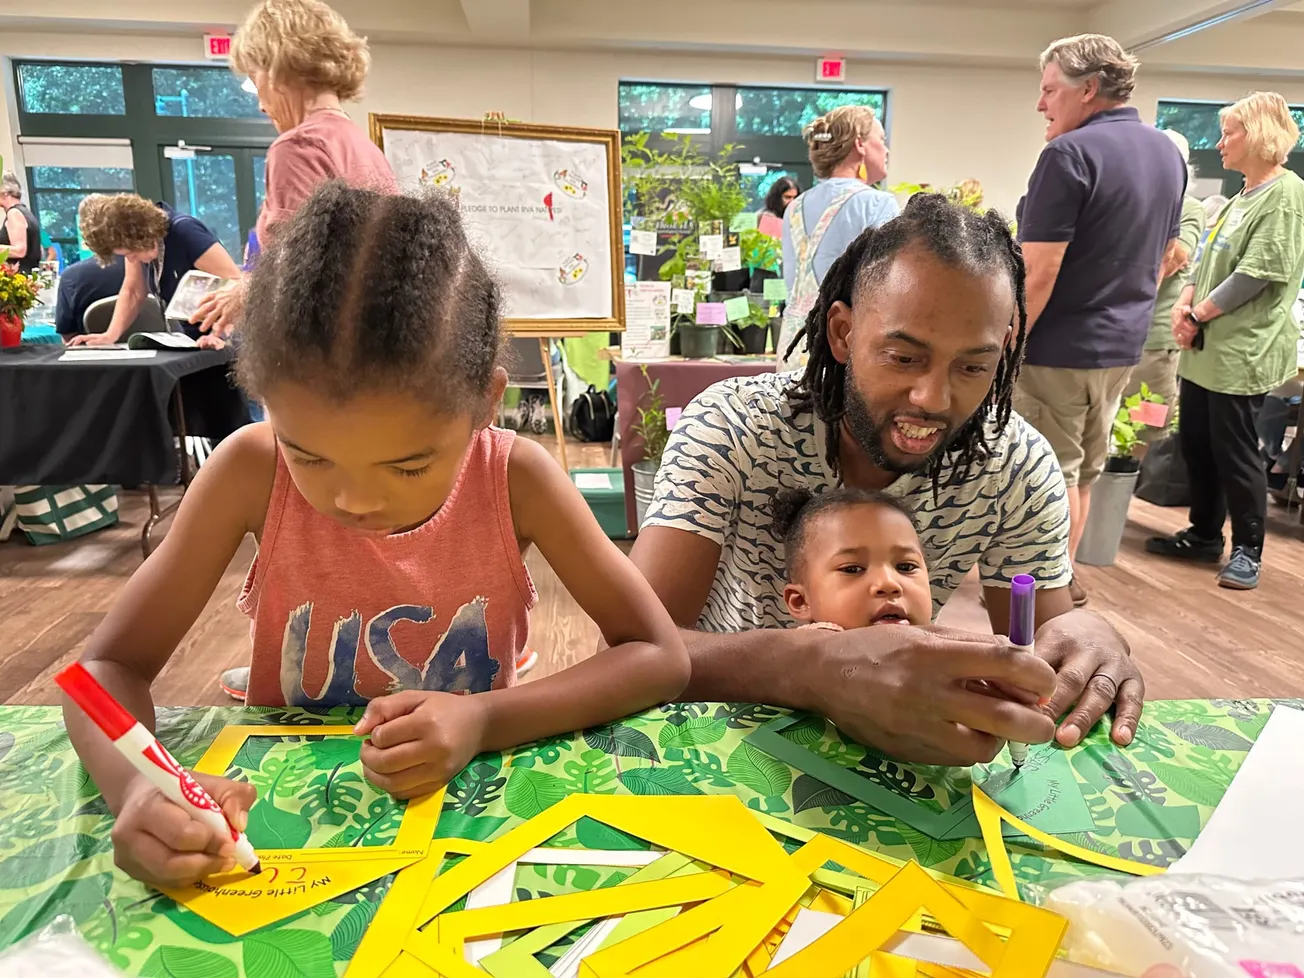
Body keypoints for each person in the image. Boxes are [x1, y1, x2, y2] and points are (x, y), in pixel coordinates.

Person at [60, 184, 689, 888]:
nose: (352, 500)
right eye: (308, 455)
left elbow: (657, 655)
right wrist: (139, 785)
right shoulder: (248, 469)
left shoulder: (516, 478)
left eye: (409, 465)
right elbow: (106, 669)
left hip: (470, 823)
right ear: (264, 402)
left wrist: (484, 719)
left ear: (486, 401)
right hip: (282, 835)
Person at [633, 194, 1144, 767]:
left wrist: (1086, 640)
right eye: (903, 358)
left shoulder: (1016, 466)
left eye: (973, 367)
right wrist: (815, 667)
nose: (933, 398)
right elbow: (633, 645)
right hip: (719, 734)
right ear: (843, 332)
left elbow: (1042, 650)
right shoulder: (733, 426)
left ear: (1003, 352)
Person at [1012, 34, 1186, 607]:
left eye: (1050, 90)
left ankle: (1042, 599)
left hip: (1056, 349)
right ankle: (1060, 584)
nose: (1041, 104)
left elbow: (1038, 270)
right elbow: (1166, 257)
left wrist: (1005, 346)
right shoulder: (1166, 152)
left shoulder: (1067, 156)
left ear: (1088, 89)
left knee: (1048, 474)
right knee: (1084, 472)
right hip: (1120, 349)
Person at [1148, 92, 1304, 591]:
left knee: (1235, 450)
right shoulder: (1242, 195)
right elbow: (1205, 261)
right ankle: (1204, 534)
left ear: (1257, 135)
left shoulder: (1285, 196)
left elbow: (1257, 273)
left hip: (1241, 350)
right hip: (1204, 347)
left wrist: (1197, 314)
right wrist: (1184, 305)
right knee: (1197, 441)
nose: (1219, 144)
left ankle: (1247, 550)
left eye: (1228, 133)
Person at [193, 0, 398, 338]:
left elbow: (300, 274)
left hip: (318, 350)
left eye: (254, 78)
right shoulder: (362, 145)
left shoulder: (298, 146)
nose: (260, 104)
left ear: (276, 66)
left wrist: (244, 292)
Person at [778, 105, 899, 371]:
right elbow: (887, 289)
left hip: (793, 345)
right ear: (860, 144)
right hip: (845, 347)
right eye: (881, 140)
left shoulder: (794, 207)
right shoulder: (877, 204)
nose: (886, 150)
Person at [67, 194, 243, 347]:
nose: (131, 260)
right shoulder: (141, 246)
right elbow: (133, 292)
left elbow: (237, 286)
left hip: (231, 336)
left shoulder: (185, 232)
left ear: (141, 235)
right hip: (195, 338)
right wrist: (109, 335)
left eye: (131, 253)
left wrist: (219, 334)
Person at [1122, 129, 1207, 437]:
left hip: (1154, 340)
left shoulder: (1189, 208)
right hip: (1117, 333)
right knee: (1112, 423)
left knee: (1145, 427)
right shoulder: (1132, 202)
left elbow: (1175, 258)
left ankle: (1138, 471)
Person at [772, 487, 932, 630]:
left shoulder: (941, 647)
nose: (888, 583)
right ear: (801, 601)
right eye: (852, 569)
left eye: (906, 567)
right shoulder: (799, 652)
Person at [54, 255, 126, 337]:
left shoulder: (72, 275)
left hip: (91, 343)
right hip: (137, 341)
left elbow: (67, 336)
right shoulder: (136, 268)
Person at [0, 172, 42, 274]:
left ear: (5, 192)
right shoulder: (25, 213)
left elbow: (20, 250)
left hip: (20, 277)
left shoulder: (14, 213)